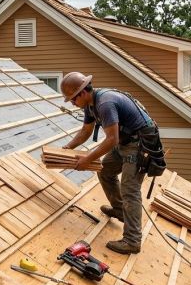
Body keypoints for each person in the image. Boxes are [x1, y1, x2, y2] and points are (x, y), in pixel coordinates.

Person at [60, 72, 159, 254]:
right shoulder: (90, 105)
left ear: (82, 93)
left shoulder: (105, 103)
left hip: (139, 145)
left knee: (130, 189)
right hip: (125, 141)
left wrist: (86, 160)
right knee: (105, 171)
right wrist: (66, 148)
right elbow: (85, 131)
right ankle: (120, 210)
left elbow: (111, 139)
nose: (72, 104)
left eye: (73, 100)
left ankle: (132, 240)